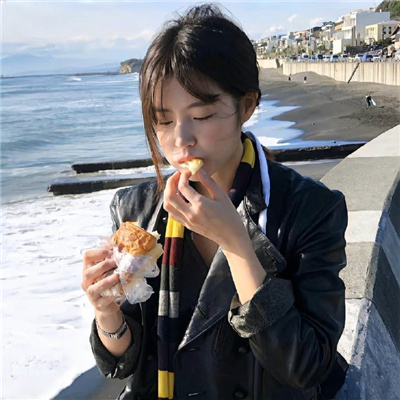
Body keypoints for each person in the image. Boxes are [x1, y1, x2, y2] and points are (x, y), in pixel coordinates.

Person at [81, 4, 349, 399]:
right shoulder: (135, 212)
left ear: (246, 106)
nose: (181, 139)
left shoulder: (308, 209)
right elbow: (124, 363)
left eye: (203, 115)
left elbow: (306, 366)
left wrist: (237, 243)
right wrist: (107, 314)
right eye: (163, 120)